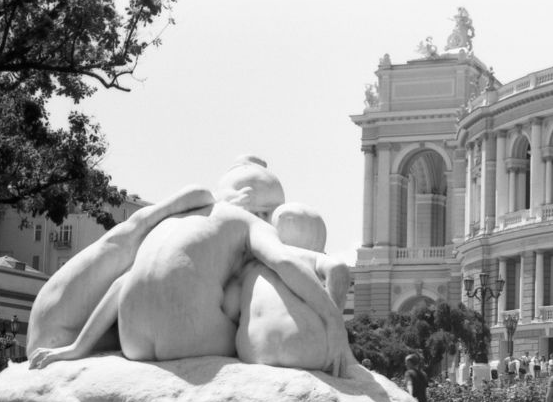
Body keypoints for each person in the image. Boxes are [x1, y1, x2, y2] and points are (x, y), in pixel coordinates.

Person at [28, 158, 353, 376]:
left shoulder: (174, 221)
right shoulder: (250, 225)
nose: (271, 219)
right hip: (188, 336)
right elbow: (283, 262)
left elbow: (120, 285)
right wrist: (334, 324)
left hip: (133, 340)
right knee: (243, 292)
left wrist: (76, 348)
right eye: (270, 211)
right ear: (254, 205)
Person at [228, 202, 350, 369]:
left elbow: (230, 307)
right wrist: (333, 324)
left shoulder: (251, 265)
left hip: (255, 351)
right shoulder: (309, 256)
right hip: (308, 349)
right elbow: (338, 270)